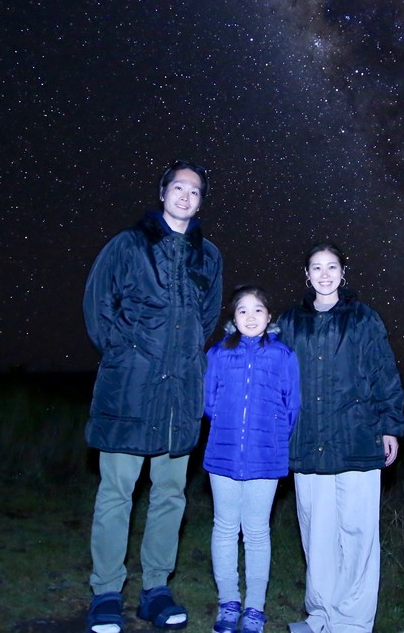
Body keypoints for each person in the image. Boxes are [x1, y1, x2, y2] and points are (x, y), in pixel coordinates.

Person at [81, 160, 223, 633]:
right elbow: (98, 306)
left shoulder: (210, 256)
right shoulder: (127, 244)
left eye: (196, 191)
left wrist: (182, 361)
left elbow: (205, 321)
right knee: (117, 493)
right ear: (162, 193)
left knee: (169, 494)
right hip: (130, 389)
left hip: (179, 395)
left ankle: (155, 591)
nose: (186, 196)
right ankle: (105, 593)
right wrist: (128, 354)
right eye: (178, 188)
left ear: (201, 201)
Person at [278, 242, 404, 633]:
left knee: (358, 533)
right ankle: (320, 616)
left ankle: (351, 622)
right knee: (316, 531)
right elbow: (271, 375)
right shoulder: (288, 321)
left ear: (343, 272)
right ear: (307, 274)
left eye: (332, 266)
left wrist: (390, 425)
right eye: (316, 267)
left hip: (358, 440)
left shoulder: (364, 319)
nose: (325, 274)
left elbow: (385, 373)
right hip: (306, 441)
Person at [203, 285, 301, 633]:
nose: (250, 316)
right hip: (224, 454)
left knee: (257, 532)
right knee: (226, 528)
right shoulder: (217, 353)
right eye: (242, 310)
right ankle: (229, 602)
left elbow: (292, 407)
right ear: (232, 317)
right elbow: (210, 403)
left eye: (258, 309)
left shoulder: (283, 355)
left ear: (270, 316)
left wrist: (270, 436)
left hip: (266, 456)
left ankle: (255, 608)